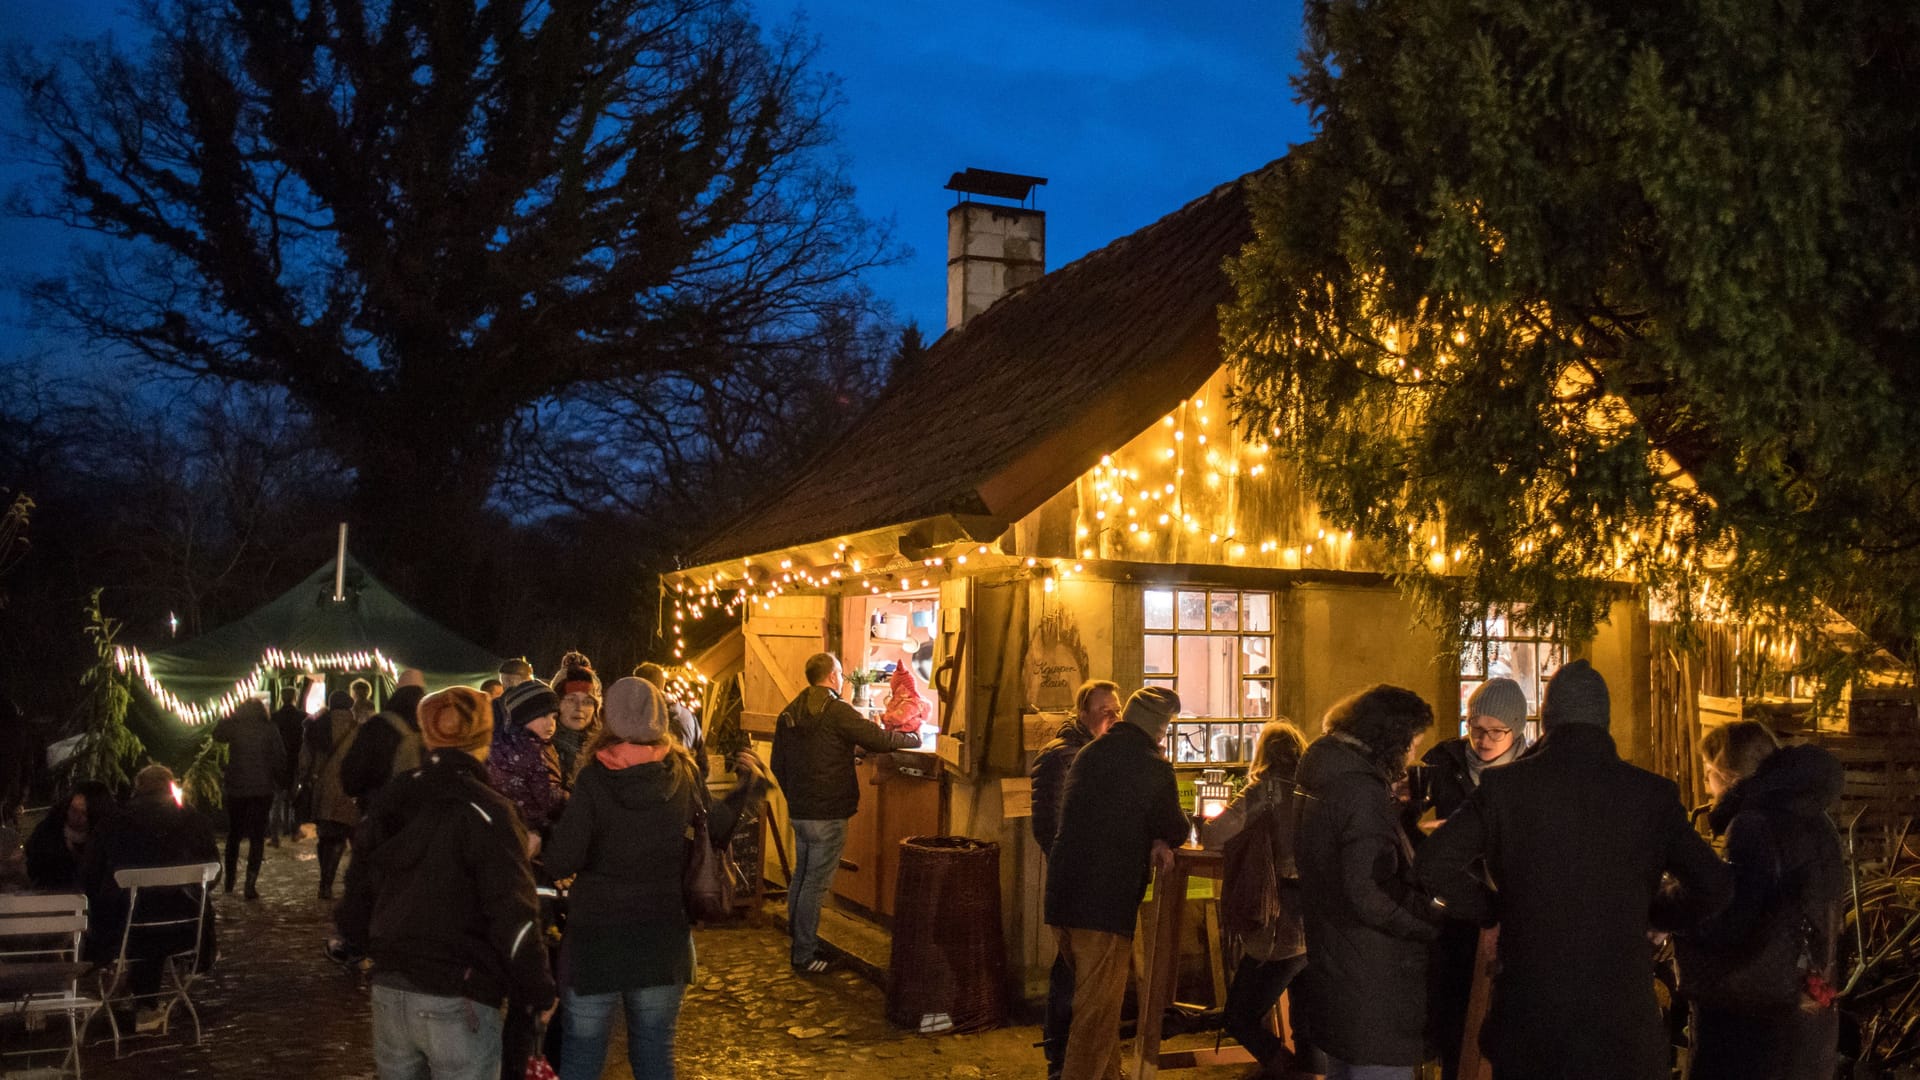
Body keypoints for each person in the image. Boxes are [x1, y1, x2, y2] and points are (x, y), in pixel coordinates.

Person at [1415, 659, 1733, 1080]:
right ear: (1604, 721)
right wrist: (1655, 913)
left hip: (1531, 1020)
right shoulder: (1650, 795)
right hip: (1619, 1025)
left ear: (1546, 719)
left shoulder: (1505, 788)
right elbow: (1714, 885)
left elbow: (1434, 864)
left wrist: (1494, 910)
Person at [546, 677, 772, 1080]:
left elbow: (562, 859)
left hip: (596, 941)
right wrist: (746, 788)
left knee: (582, 1056)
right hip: (663, 938)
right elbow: (717, 829)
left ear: (608, 717)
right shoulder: (682, 772)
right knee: (654, 1056)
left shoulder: (594, 781)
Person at [335, 686, 556, 1080]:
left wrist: (376, 949)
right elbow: (513, 908)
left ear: (428, 733)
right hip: (460, 991)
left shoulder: (392, 798)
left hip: (391, 990)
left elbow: (356, 895)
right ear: (484, 736)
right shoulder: (488, 810)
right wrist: (537, 986)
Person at [1675, 722, 1845, 1080]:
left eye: (1709, 775)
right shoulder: (1817, 820)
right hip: (1809, 1007)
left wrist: (1681, 919)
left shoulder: (1752, 825)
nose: (1708, 788)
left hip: (1754, 1019)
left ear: (1727, 775)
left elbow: (1734, 921)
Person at [1295, 685, 1442, 1080]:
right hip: (1375, 979)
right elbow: (1370, 889)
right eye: (1411, 742)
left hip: (1342, 965)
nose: (1412, 753)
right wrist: (1430, 923)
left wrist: (1401, 812)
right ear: (1390, 738)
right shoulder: (1359, 790)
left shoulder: (1327, 774)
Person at [1045, 686, 1191, 1080]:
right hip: (1104, 903)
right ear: (1159, 728)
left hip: (1063, 896)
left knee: (1097, 1006)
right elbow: (1175, 826)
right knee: (1095, 1016)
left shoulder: (1092, 752)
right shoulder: (1151, 764)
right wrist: (1162, 838)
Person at [1401, 677, 1530, 1080]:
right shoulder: (1444, 762)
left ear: (1518, 730)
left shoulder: (1534, 771)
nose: (1484, 740)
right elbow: (1408, 825)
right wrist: (1419, 828)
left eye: (1496, 731)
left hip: (1515, 908)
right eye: (1476, 729)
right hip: (1456, 907)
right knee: (1454, 1010)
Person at [769, 652, 921, 974]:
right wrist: (911, 737)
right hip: (828, 812)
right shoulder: (837, 711)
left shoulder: (789, 712)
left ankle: (800, 942)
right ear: (833, 676)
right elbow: (878, 739)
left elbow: (776, 764)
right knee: (814, 884)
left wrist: (795, 796)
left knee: (801, 877)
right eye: (840, 672)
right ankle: (804, 955)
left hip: (801, 811)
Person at [1202, 719, 1323, 1078]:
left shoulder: (1264, 790)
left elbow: (1213, 835)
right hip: (1314, 921)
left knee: (1239, 1017)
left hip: (1277, 927)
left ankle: (1282, 1070)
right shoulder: (1316, 791)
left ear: (1263, 755)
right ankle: (1308, 1075)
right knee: (1308, 1022)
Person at [1029, 678, 1121, 1080]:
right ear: (1083, 713)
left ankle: (1085, 1063)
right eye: (1105, 711)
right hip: (1075, 883)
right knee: (1070, 973)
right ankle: (1060, 1061)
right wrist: (1075, 865)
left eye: (1117, 710)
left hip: (1095, 882)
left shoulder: (1106, 753)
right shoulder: (1062, 755)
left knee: (1081, 975)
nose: (1113, 717)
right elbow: (1048, 823)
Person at [82, 764, 219, 1031]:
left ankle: (137, 996)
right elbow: (213, 873)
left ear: (137, 789)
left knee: (136, 915)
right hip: (187, 928)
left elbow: (91, 872)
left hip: (125, 930)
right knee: (157, 920)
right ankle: (145, 1002)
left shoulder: (115, 822)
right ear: (171, 787)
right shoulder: (195, 820)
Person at [214, 697, 286, 900]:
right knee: (256, 837)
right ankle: (250, 884)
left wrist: (226, 715)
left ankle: (229, 881)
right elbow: (279, 756)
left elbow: (217, 735)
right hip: (262, 788)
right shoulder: (269, 728)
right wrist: (278, 778)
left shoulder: (235, 727)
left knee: (234, 835)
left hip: (237, 787)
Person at [300, 690, 362, 899]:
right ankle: (328, 884)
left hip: (323, 788)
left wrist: (305, 779)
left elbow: (304, 760)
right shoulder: (357, 729)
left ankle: (324, 881)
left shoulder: (317, 726)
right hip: (347, 788)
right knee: (340, 835)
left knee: (325, 837)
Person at [491, 678, 566, 838]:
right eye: (543, 716)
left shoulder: (542, 745)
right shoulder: (518, 750)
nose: (550, 724)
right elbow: (545, 794)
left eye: (554, 717)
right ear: (522, 717)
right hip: (523, 829)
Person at [341, 670, 427, 808]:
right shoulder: (430, 727)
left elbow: (352, 775)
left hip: (381, 811)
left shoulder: (378, 725)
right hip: (419, 813)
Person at [25, 779, 115, 890]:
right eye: (73, 810)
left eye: (84, 813)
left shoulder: (107, 836)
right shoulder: (49, 828)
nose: (77, 817)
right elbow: (34, 864)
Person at [636, 663, 706, 779]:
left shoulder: (639, 720)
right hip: (684, 787)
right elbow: (703, 765)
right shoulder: (688, 716)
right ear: (662, 685)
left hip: (654, 790)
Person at [549, 653, 603, 786]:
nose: (579, 707)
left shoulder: (607, 749)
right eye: (571, 699)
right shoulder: (542, 749)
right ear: (557, 703)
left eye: (587, 702)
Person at [270, 686, 308, 844]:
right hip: (295, 760)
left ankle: (274, 835)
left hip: (277, 762)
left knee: (276, 799)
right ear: (295, 697)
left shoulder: (274, 717)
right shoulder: (302, 717)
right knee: (295, 798)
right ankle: (294, 830)